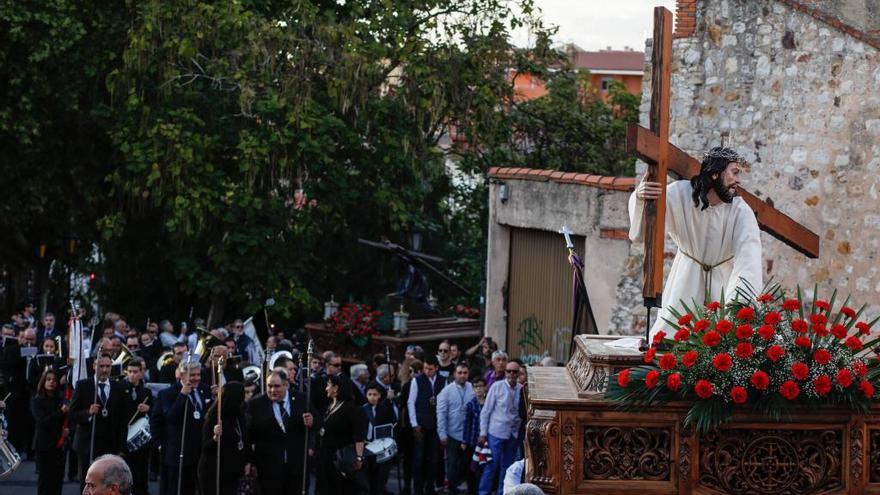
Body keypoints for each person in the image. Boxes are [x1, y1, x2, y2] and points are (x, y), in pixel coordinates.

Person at [629, 146, 762, 339]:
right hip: (684, 283)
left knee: (717, 348)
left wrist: (737, 308)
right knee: (669, 341)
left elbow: (748, 262)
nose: (738, 180)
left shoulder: (741, 212)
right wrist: (640, 199)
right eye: (734, 173)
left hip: (722, 291)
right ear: (716, 174)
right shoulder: (679, 195)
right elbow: (644, 234)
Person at [247, 370, 316, 495]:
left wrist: (312, 422)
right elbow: (249, 436)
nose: (273, 390)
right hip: (268, 468)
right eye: (269, 386)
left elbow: (318, 422)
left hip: (296, 466)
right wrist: (251, 462)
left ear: (286, 385)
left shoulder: (301, 399)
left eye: (277, 386)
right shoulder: (256, 404)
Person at [70, 354, 127, 492]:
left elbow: (122, 420)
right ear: (94, 366)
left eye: (108, 366)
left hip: (110, 444)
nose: (105, 370)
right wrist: (87, 413)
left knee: (109, 483)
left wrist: (121, 448)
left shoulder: (118, 387)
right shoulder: (83, 385)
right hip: (88, 444)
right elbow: (73, 414)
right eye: (101, 366)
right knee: (89, 481)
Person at [155, 359, 211, 495]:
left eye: (198, 374)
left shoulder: (204, 389)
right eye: (192, 375)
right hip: (178, 452)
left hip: (199, 450)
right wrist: (182, 395)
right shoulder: (167, 393)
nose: (196, 378)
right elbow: (171, 418)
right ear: (182, 375)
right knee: (177, 490)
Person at [316, 373, 368, 493]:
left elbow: (359, 435)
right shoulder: (330, 405)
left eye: (328, 385)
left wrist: (359, 458)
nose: (326, 388)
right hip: (325, 456)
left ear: (336, 388)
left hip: (340, 459)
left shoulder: (351, 409)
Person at [199, 381, 252, 495]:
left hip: (233, 471)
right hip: (214, 471)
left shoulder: (239, 415)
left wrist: (247, 461)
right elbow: (204, 446)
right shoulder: (214, 417)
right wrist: (214, 438)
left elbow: (245, 439)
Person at [478, 361, 523, 495]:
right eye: (509, 371)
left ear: (518, 373)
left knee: (508, 468)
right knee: (492, 465)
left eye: (514, 372)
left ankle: (503, 493)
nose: (511, 374)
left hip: (513, 434)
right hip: (496, 432)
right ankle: (483, 492)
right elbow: (486, 411)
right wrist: (483, 433)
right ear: (505, 372)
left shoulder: (522, 389)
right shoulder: (496, 387)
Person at [407, 356, 445, 495]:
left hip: (435, 425)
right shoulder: (417, 381)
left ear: (436, 368)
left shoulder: (442, 380)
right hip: (421, 425)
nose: (427, 371)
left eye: (430, 368)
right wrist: (414, 424)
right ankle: (418, 489)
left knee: (434, 459)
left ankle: (430, 487)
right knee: (419, 459)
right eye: (425, 368)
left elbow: (444, 403)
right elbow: (411, 402)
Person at [436, 363, 475, 495]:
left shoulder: (472, 388)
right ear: (454, 374)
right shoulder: (446, 391)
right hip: (452, 434)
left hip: (469, 434)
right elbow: (441, 413)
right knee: (452, 465)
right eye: (459, 373)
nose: (462, 375)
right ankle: (452, 490)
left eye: (465, 373)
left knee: (468, 465)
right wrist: (442, 434)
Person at [31, 369, 69, 495]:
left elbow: (66, 420)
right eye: (48, 379)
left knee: (57, 480)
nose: (51, 382)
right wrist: (61, 413)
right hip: (44, 445)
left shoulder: (61, 399)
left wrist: (66, 431)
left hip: (59, 444)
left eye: (54, 380)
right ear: (43, 382)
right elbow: (42, 421)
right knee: (45, 480)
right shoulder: (37, 400)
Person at [121, 357, 152, 495]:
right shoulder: (120, 389)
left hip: (141, 439)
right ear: (126, 372)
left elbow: (156, 412)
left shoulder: (146, 392)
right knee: (126, 470)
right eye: (130, 371)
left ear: (141, 373)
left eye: (135, 372)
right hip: (124, 435)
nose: (132, 374)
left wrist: (148, 408)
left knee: (142, 469)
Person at [363, 384, 396, 495]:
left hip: (380, 446)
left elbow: (392, 422)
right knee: (369, 474)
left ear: (380, 395)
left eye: (375, 394)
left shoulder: (384, 408)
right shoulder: (362, 410)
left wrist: (390, 402)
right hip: (367, 445)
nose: (372, 397)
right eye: (370, 394)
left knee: (381, 475)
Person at [463, 376, 487, 493]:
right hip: (473, 441)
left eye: (481, 386)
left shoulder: (488, 402)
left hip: (486, 443)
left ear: (485, 387)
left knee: (483, 468)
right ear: (473, 389)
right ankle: (471, 490)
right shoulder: (470, 404)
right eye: (476, 387)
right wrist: (464, 441)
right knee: (472, 468)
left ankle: (481, 490)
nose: (478, 389)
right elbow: (467, 424)